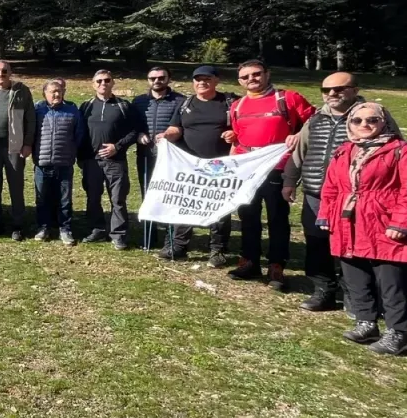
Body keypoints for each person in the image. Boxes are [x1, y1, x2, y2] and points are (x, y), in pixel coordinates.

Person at [319, 102, 407, 356]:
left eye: (372, 120)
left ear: (384, 121)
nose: (364, 125)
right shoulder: (345, 150)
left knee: (391, 280)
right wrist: (325, 214)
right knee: (355, 274)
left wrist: (402, 222)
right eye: (358, 120)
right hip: (347, 220)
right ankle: (366, 322)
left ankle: (397, 332)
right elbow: (331, 186)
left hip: (383, 221)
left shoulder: (402, 151)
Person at [224, 59, 316, 290]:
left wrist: (300, 135)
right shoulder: (237, 105)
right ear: (239, 81)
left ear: (267, 74)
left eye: (256, 74)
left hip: (278, 166)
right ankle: (249, 261)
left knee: (277, 217)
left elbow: (315, 121)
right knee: (247, 215)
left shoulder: (287, 98)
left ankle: (276, 266)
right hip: (247, 168)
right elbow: (239, 134)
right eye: (245, 77)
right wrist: (232, 137)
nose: (251, 79)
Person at [283, 73, 368, 310]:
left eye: (339, 89)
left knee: (351, 245)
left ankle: (355, 295)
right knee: (316, 244)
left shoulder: (369, 118)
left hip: (352, 196)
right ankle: (323, 290)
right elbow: (299, 151)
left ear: (355, 90)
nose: (331, 93)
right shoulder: (316, 119)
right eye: (326, 90)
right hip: (315, 194)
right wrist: (289, 181)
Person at [162, 66, 235, 267]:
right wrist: (166, 136)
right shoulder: (185, 103)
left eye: (207, 79)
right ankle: (179, 245)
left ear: (216, 80)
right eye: (198, 79)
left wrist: (233, 134)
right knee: (186, 203)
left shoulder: (229, 102)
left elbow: (242, 126)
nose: (202, 82)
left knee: (219, 207)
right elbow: (176, 128)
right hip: (189, 165)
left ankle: (218, 250)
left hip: (220, 166)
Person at [78, 70, 135, 250]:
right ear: (93, 84)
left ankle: (118, 234)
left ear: (113, 82)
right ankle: (97, 229)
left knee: (118, 199)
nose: (103, 83)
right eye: (99, 81)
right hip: (91, 161)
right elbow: (80, 133)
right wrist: (81, 157)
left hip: (116, 161)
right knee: (93, 197)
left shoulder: (123, 106)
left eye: (107, 80)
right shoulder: (86, 106)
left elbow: (134, 131)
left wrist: (117, 147)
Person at [132, 67, 185, 251]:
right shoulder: (139, 101)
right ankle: (149, 236)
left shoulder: (180, 100)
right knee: (148, 194)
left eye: (161, 77)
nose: (157, 81)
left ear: (169, 79)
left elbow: (182, 126)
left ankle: (171, 238)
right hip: (146, 155)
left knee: (169, 195)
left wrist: (169, 135)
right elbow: (134, 125)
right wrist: (139, 134)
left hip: (170, 157)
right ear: (148, 80)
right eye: (152, 78)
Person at [0, 61, 35, 240]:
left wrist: (27, 143)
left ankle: (17, 226)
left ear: (10, 72)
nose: (1, 74)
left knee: (16, 187)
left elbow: (31, 119)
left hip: (14, 147)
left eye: (4, 71)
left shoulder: (22, 91)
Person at [32, 79, 84, 246]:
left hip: (64, 163)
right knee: (42, 198)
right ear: (45, 94)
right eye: (52, 91)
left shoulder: (72, 111)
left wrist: (71, 151)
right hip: (42, 163)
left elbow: (79, 134)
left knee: (65, 199)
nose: (56, 94)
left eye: (59, 91)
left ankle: (65, 229)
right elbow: (30, 133)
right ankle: (43, 227)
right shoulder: (37, 110)